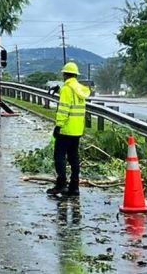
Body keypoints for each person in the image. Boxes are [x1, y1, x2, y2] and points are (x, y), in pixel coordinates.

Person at [47, 62, 90, 197]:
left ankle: (61, 184)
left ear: (65, 75)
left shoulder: (67, 89)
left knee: (59, 156)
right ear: (75, 75)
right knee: (74, 157)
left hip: (65, 129)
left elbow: (64, 109)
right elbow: (73, 99)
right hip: (77, 129)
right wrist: (59, 90)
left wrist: (58, 126)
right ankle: (74, 186)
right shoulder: (79, 88)